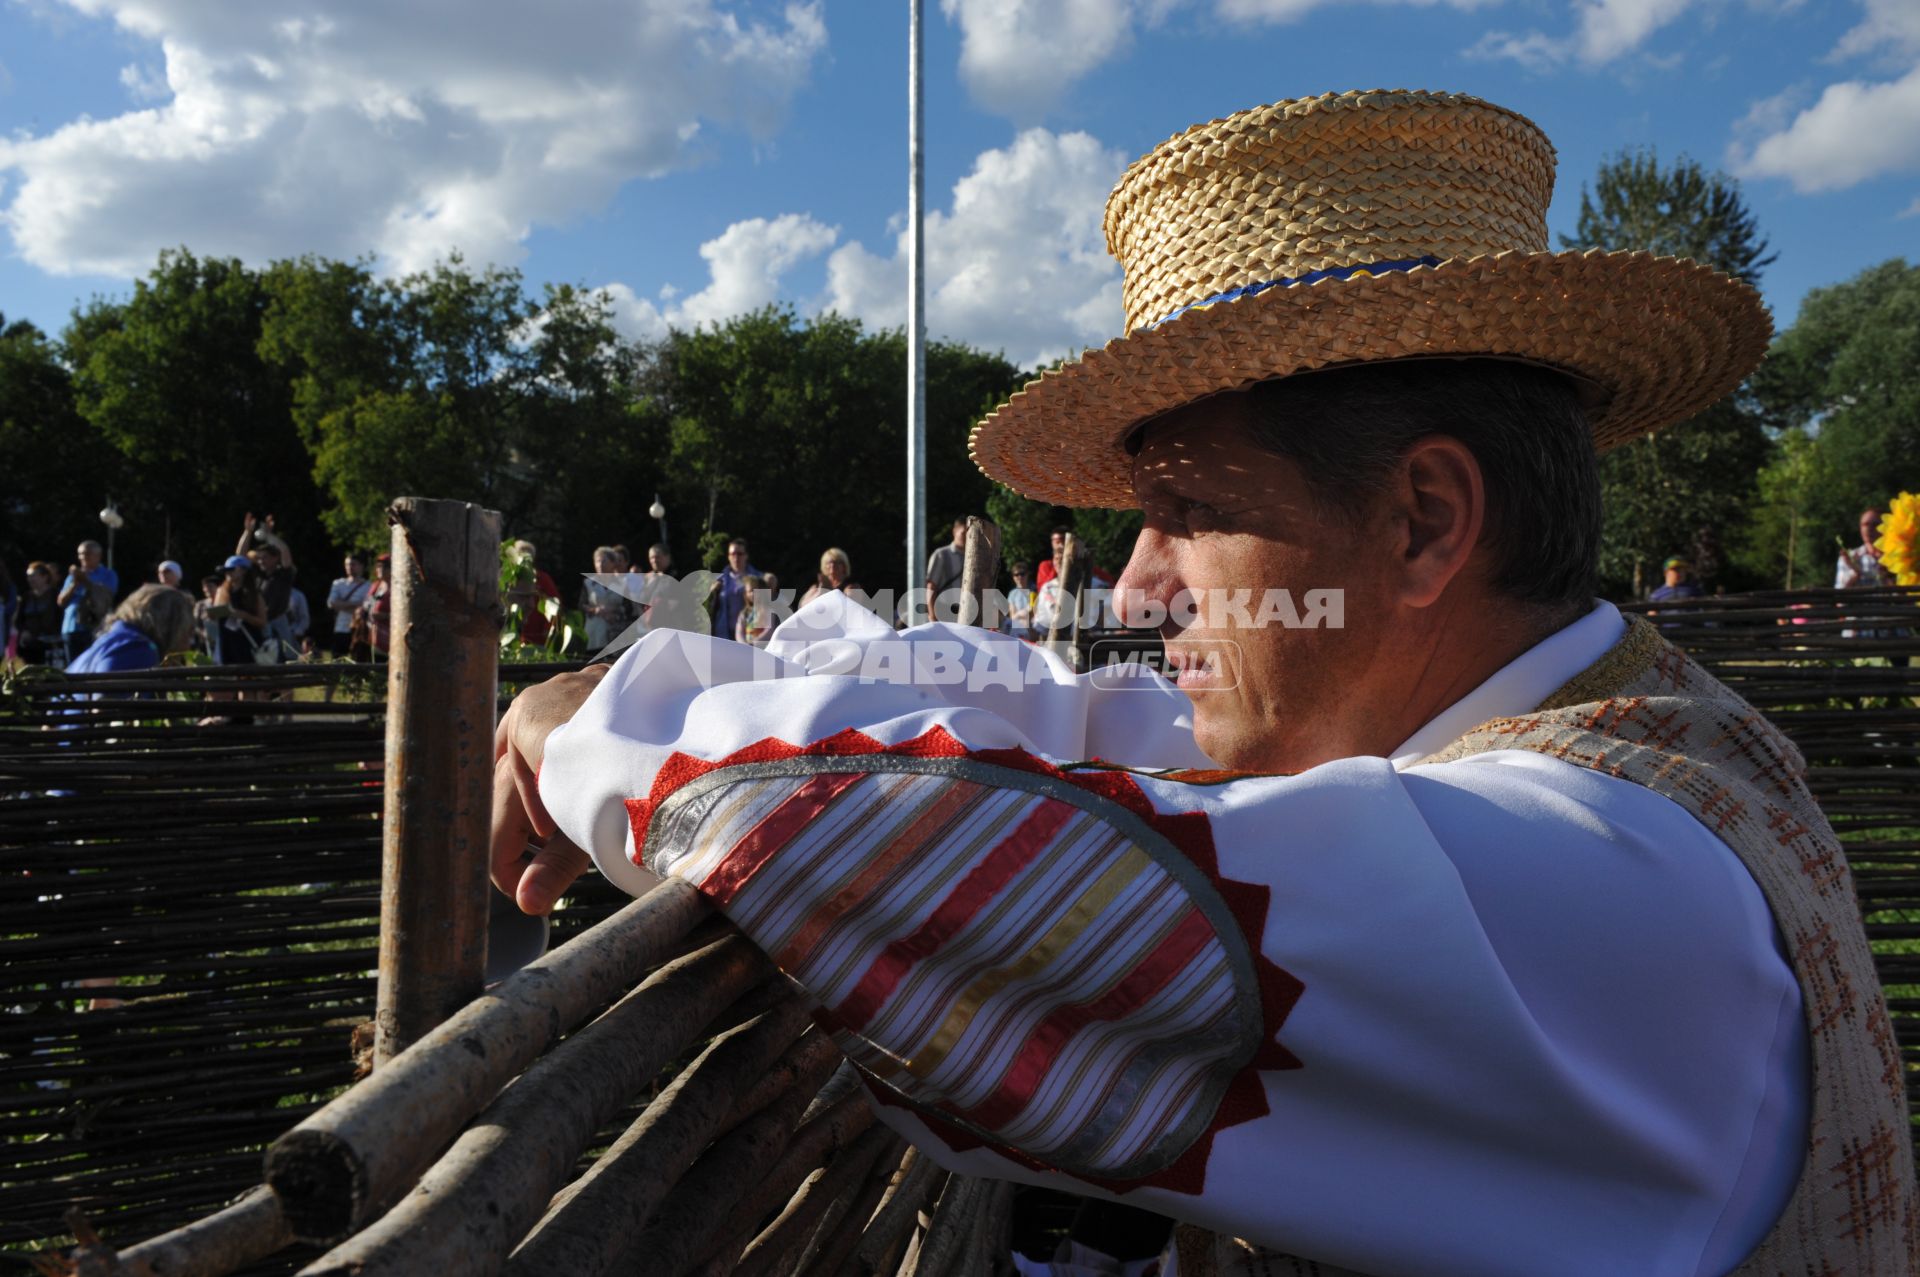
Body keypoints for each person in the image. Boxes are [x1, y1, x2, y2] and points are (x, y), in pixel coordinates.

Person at [493, 90, 1912, 1274]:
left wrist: (588, 723)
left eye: (1183, 510)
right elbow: (1101, 720)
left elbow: (903, 841)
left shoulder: (1590, 886)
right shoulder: (1584, 753)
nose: (1136, 587)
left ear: (1423, 522)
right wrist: (675, 674)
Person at [67, 584, 197, 673]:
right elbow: (108, 708)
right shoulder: (136, 649)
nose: (188, 644)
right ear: (171, 625)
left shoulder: (114, 641)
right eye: (187, 631)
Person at [57, 540, 119, 663]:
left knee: (93, 666)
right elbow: (61, 602)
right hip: (71, 628)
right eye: (80, 554)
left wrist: (85, 580)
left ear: (98, 556)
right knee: (73, 667)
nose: (83, 557)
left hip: (95, 628)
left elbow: (106, 596)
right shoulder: (73, 577)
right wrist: (74, 583)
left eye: (87, 553)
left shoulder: (108, 574)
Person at [580, 545, 635, 652]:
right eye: (597, 561)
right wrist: (595, 610)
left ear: (613, 563)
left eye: (604, 561)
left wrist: (614, 612)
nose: (600, 565)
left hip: (615, 633)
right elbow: (581, 605)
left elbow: (629, 608)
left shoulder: (623, 585)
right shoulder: (588, 583)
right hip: (594, 633)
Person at [214, 554, 267, 664]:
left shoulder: (254, 595)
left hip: (247, 644)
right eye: (226, 570)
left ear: (243, 571)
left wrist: (244, 616)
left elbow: (262, 622)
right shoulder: (222, 592)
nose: (227, 573)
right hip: (226, 644)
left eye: (231, 570)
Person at [506, 540, 561, 646]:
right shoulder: (509, 577)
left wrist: (547, 628)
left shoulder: (542, 578)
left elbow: (555, 604)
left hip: (537, 632)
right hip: (513, 632)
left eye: (528, 555)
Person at [709, 538, 758, 641]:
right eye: (732, 554)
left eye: (740, 554)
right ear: (728, 556)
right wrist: (711, 593)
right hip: (724, 634)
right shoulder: (720, 580)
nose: (736, 557)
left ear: (746, 556)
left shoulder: (757, 579)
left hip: (749, 634)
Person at [15, 562, 62, 664]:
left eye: (33, 576)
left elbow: (60, 616)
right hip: (30, 645)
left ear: (45, 577)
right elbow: (19, 619)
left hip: (51, 643)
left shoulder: (55, 595)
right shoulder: (26, 597)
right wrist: (23, 631)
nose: (30, 579)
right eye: (28, 576)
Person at [326, 554, 371, 657]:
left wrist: (341, 604)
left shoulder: (368, 586)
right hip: (340, 628)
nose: (349, 567)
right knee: (337, 659)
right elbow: (331, 603)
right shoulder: (338, 584)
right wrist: (355, 605)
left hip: (358, 629)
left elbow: (366, 606)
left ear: (361, 566)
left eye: (353, 564)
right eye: (347, 565)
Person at [924, 518, 967, 622]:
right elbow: (931, 586)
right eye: (963, 533)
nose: (967, 537)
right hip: (945, 611)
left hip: (967, 613)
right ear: (954, 531)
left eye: (970, 534)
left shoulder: (975, 558)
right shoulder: (941, 554)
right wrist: (932, 616)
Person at [1836, 508, 1889, 588]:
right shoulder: (1849, 557)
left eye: (1875, 524)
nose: (1869, 529)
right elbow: (1839, 596)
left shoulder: (1896, 556)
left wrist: (1887, 574)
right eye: (1865, 524)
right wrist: (1855, 572)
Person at [359, 554, 393, 657]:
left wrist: (385, 616)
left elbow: (405, 615)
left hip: (391, 638)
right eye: (378, 566)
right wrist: (362, 611)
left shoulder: (398, 587)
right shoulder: (376, 586)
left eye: (385, 566)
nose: (380, 569)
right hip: (372, 636)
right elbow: (367, 604)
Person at [734, 574, 775, 647]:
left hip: (763, 649)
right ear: (746, 594)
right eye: (750, 591)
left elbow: (769, 631)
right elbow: (739, 633)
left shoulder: (768, 612)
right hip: (747, 649)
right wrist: (744, 644)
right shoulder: (744, 613)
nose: (753, 594)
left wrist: (754, 643)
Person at [1003, 559, 1036, 639]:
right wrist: (1025, 612)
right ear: (1013, 577)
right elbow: (1013, 617)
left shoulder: (1035, 591)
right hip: (1018, 628)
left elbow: (1035, 614)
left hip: (1033, 628)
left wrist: (1023, 614)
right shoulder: (1012, 594)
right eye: (1016, 574)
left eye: (1022, 574)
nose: (1019, 577)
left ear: (1027, 574)